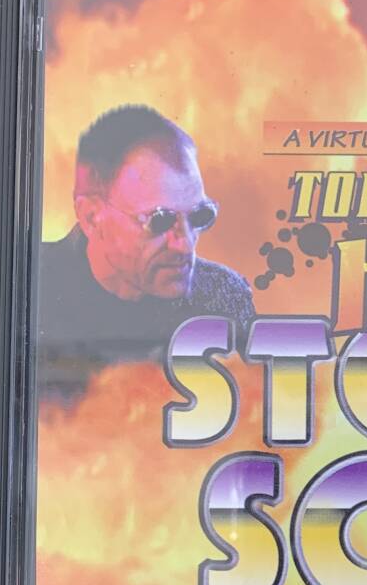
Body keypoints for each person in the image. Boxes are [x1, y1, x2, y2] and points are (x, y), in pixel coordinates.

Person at [37, 105, 255, 380]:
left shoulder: (223, 298)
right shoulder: (27, 286)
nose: (185, 246)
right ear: (92, 217)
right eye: (160, 221)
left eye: (200, 216)